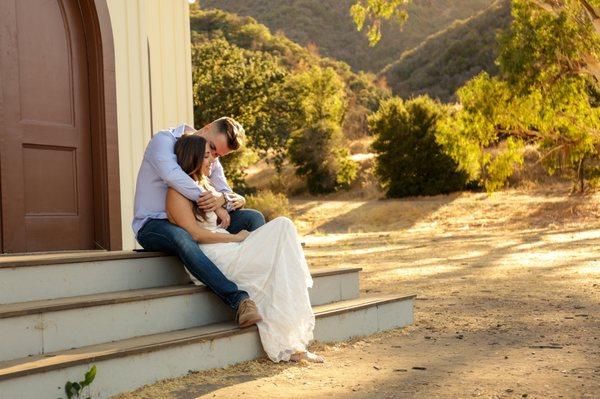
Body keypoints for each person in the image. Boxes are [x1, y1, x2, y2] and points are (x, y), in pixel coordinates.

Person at [166, 134, 323, 363]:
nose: (212, 161)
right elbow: (195, 235)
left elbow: (233, 199)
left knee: (282, 241)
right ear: (194, 158)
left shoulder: (204, 186)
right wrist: (237, 238)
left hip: (227, 244)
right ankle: (289, 346)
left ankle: (293, 344)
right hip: (214, 254)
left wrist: (223, 206)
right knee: (282, 227)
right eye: (207, 156)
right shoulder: (176, 193)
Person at [133, 118, 265, 328]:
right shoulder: (163, 141)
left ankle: (258, 280)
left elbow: (227, 193)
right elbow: (174, 176)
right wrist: (216, 203)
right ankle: (238, 299)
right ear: (206, 128)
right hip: (154, 224)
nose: (212, 158)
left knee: (253, 218)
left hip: (198, 221)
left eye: (217, 155)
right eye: (212, 149)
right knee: (182, 236)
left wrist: (225, 200)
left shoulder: (211, 158)